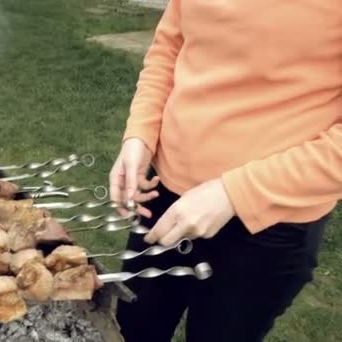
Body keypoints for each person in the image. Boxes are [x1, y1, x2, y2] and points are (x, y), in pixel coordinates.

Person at [109, 1, 341, 341]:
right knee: (129, 331)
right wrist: (141, 134)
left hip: (269, 224)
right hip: (164, 196)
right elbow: (171, 45)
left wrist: (234, 193)